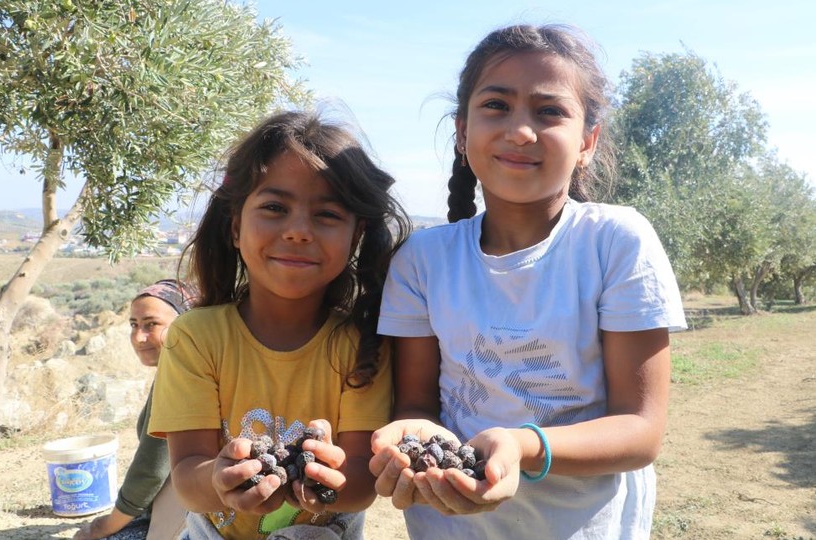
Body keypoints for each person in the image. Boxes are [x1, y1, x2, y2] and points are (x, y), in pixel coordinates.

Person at [368, 24, 687, 539]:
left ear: (587, 141)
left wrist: (522, 445)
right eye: (496, 105)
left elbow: (640, 431)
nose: (520, 131)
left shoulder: (615, 242)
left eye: (549, 111)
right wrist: (414, 438)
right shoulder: (421, 260)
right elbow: (416, 406)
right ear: (461, 131)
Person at [148, 110, 410, 540]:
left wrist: (325, 480)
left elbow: (361, 484)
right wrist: (220, 479)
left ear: (355, 236)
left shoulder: (361, 346)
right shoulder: (196, 337)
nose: (298, 231)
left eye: (327, 214)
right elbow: (186, 477)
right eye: (274, 207)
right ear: (235, 226)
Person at [75, 279, 194, 540]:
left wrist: (103, 526)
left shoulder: (181, 376)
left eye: (151, 324)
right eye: (134, 325)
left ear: (186, 324)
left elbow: (151, 469)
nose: (139, 338)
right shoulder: (180, 367)